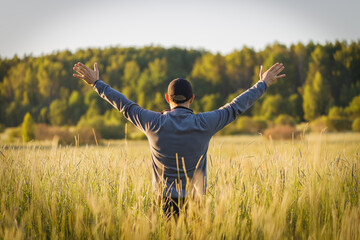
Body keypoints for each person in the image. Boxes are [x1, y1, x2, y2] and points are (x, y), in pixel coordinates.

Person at [73, 61, 285, 216]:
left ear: (167, 98)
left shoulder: (152, 123)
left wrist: (97, 83)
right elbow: (235, 107)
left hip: (162, 203)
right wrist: (262, 84)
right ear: (192, 99)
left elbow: (125, 106)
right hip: (196, 203)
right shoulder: (205, 123)